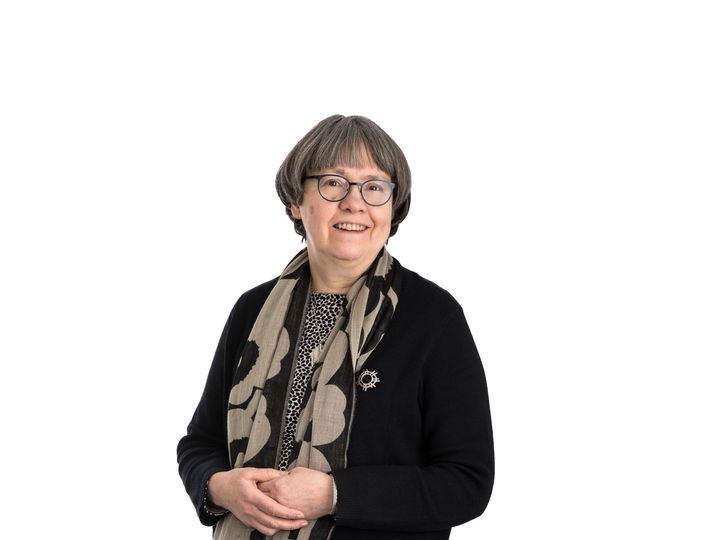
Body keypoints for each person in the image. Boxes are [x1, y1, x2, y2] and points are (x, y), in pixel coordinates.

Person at [177, 114, 494, 540]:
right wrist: (219, 488)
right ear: (296, 201)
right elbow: (200, 444)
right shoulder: (252, 309)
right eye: (333, 183)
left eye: (374, 187)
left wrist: (335, 494)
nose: (354, 203)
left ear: (393, 208)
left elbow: (467, 482)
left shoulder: (433, 317)